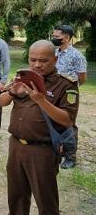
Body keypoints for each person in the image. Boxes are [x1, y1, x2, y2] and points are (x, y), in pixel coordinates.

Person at [0, 40, 79, 214]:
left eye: (43, 61)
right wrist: (12, 92)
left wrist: (41, 100)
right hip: (16, 146)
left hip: (42, 150)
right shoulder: (23, 78)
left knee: (46, 201)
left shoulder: (65, 85)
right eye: (33, 59)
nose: (37, 65)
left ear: (55, 60)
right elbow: (1, 102)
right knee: (16, 197)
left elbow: (67, 120)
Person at [52, 24, 87, 169]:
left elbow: (82, 78)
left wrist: (70, 88)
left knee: (68, 124)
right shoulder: (54, 52)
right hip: (54, 91)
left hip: (69, 94)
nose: (53, 39)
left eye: (56, 37)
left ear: (66, 38)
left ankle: (70, 156)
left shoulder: (77, 56)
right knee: (54, 120)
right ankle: (58, 151)